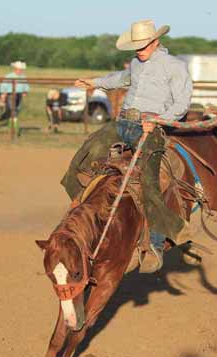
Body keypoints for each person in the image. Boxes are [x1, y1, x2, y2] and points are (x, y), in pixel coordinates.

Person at [65, 20, 193, 273]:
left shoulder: (175, 66)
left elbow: (182, 103)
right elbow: (121, 79)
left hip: (152, 126)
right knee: (84, 155)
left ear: (156, 42)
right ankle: (85, 212)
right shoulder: (136, 63)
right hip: (124, 122)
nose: (138, 50)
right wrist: (95, 82)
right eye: (136, 46)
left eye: (142, 45)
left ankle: (156, 242)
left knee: (149, 181)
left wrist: (158, 121)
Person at [0, 61, 29, 130]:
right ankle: (15, 125)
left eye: (21, 69)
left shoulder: (23, 76)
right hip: (11, 94)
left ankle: (11, 123)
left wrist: (25, 91)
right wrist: (3, 93)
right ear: (15, 69)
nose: (20, 71)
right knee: (12, 108)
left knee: (17, 108)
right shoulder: (9, 76)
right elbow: (4, 85)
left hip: (19, 94)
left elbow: (25, 84)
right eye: (18, 69)